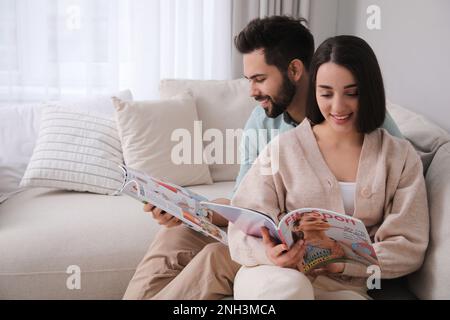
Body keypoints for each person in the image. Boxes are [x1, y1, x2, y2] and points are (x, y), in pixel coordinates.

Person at [123, 16, 403, 300]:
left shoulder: (360, 119)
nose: (252, 92)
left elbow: (390, 177)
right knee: (174, 236)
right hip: (265, 235)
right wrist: (186, 208)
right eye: (249, 80)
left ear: (294, 70)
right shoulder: (262, 121)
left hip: (305, 251)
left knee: (216, 256)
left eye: (259, 79)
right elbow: (242, 203)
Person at [228, 35, 429, 300]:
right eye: (325, 93)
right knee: (290, 290)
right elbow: (242, 223)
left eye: (351, 93)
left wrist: (342, 261)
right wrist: (269, 253)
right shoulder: (283, 149)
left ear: (369, 90)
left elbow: (409, 246)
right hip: (276, 276)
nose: (337, 107)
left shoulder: (399, 156)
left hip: (348, 285)